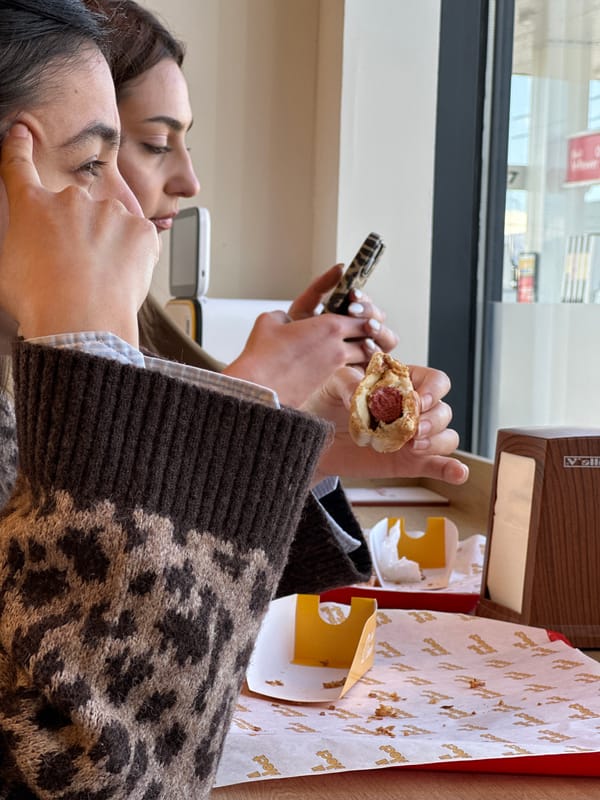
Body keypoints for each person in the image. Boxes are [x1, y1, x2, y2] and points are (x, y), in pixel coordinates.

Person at [0, 2, 385, 796]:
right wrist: (98, 364)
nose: (144, 206)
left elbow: (194, 625)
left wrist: (302, 450)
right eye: (99, 160)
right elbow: (103, 767)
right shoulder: (60, 346)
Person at [86, 0, 469, 488]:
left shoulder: (143, 339)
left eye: (185, 145)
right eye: (158, 144)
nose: (190, 180)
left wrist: (302, 447)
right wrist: (246, 411)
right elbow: (114, 551)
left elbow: (176, 537)